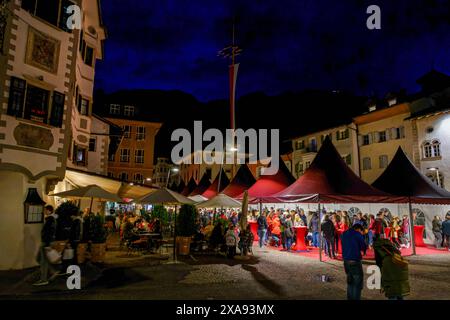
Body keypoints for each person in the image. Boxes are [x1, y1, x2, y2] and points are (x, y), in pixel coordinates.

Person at [33, 205, 60, 286]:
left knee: (43, 261)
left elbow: (50, 232)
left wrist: (48, 244)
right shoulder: (50, 219)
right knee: (39, 259)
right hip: (45, 242)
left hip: (46, 242)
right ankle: (53, 271)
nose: (44, 211)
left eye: (45, 210)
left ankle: (43, 279)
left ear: (49, 211)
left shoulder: (50, 219)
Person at [341, 224, 367, 300]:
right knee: (357, 284)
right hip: (355, 261)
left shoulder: (344, 233)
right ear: (359, 229)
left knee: (350, 281)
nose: (362, 233)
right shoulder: (357, 234)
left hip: (346, 261)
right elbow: (363, 246)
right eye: (362, 231)